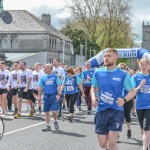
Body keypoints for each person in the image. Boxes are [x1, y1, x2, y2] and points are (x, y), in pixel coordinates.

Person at [91, 48, 136, 150]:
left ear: (116, 58)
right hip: (101, 111)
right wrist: (93, 97)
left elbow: (132, 91)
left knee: (112, 142)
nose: (106, 58)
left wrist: (124, 100)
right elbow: (93, 87)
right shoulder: (98, 73)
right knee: (102, 144)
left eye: (109, 56)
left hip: (116, 111)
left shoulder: (123, 74)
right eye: (105, 56)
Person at [132, 58, 150, 150]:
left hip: (149, 106)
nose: (144, 66)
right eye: (142, 64)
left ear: (149, 66)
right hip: (139, 106)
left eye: (146, 64)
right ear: (139, 66)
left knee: (146, 128)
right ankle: (147, 143)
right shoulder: (135, 77)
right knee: (143, 129)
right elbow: (132, 92)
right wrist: (140, 86)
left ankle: (144, 148)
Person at [38, 64, 61, 131]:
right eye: (44, 68)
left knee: (54, 111)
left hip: (54, 96)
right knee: (47, 112)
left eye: (45, 68)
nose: (44, 69)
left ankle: (55, 121)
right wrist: (39, 96)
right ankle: (48, 126)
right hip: (46, 96)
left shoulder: (55, 77)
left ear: (50, 69)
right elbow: (40, 87)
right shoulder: (43, 78)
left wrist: (59, 94)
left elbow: (59, 85)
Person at [118, 63, 133, 138]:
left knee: (127, 116)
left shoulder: (128, 77)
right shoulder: (114, 77)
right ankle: (116, 134)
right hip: (118, 100)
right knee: (117, 117)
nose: (121, 70)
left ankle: (129, 129)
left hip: (127, 99)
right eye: (119, 68)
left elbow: (132, 90)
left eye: (122, 68)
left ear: (126, 69)